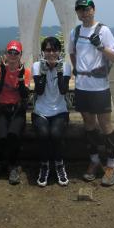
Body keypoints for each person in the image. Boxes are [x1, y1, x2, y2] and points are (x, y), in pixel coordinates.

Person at [69, 0, 114, 186]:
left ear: (93, 9)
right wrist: (78, 71)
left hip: (100, 87)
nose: (84, 11)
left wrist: (100, 46)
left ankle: (112, 165)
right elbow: (72, 52)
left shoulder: (104, 30)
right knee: (88, 123)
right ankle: (95, 161)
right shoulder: (75, 31)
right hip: (82, 86)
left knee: (105, 125)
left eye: (87, 8)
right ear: (77, 12)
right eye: (80, 9)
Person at [0, 40, 30, 185]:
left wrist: (20, 77)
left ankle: (13, 165)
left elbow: (24, 95)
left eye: (15, 53)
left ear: (20, 55)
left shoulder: (25, 71)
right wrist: (4, 71)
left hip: (17, 109)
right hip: (0, 108)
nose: (12, 56)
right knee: (0, 136)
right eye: (10, 52)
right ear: (5, 54)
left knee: (13, 135)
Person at [32, 36, 71, 187]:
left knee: (55, 134)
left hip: (60, 110)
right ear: (43, 52)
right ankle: (44, 165)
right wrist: (44, 70)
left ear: (59, 52)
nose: (51, 53)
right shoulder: (37, 66)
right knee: (43, 133)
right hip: (41, 111)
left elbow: (63, 90)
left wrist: (59, 70)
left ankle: (59, 164)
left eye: (54, 50)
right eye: (47, 50)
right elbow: (40, 91)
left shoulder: (65, 66)